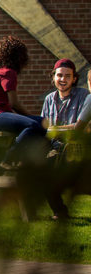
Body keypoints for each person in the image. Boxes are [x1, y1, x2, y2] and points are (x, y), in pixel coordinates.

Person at [0, 35, 47, 170]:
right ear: (18, 57)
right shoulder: (8, 72)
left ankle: (29, 160)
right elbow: (14, 104)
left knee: (43, 123)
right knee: (33, 124)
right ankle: (9, 159)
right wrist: (28, 116)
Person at [41, 59, 91, 221]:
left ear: (74, 79)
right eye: (59, 75)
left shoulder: (84, 96)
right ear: (53, 77)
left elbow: (80, 127)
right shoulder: (49, 99)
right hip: (55, 147)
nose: (62, 79)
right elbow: (44, 128)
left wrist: (55, 130)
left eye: (67, 76)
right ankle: (60, 212)